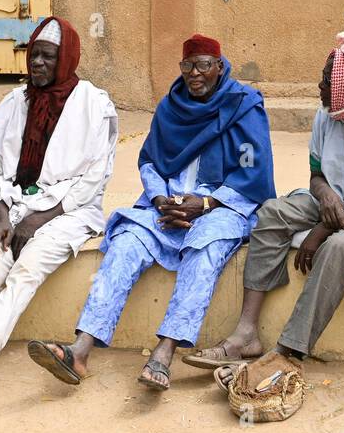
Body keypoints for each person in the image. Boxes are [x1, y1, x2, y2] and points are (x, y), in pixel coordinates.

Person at [188, 35, 344, 422]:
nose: (319, 88)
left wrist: (325, 228)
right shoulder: (328, 111)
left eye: (326, 81)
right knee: (271, 215)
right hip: (336, 202)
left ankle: (289, 351)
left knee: (339, 249)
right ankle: (246, 332)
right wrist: (326, 196)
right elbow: (316, 176)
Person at [27, 34, 275, 393]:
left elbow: (253, 171)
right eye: (187, 66)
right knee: (127, 242)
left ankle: (164, 351)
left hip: (222, 206)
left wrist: (204, 204)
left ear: (219, 67)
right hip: (168, 205)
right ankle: (80, 349)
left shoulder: (243, 105)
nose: (195, 74)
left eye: (204, 65)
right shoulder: (171, 106)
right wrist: (160, 200)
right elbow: (149, 161)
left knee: (204, 247)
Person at [0, 16, 117, 418]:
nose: (38, 64)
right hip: (11, 207)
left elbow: (93, 179)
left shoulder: (93, 103)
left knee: (25, 270)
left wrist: (39, 218)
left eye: (48, 57)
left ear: (66, 60)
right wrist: (0, 216)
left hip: (67, 210)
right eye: (34, 56)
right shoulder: (17, 102)